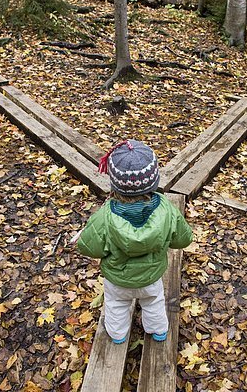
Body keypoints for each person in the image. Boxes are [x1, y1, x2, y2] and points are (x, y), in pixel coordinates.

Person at [75, 139, 192, 344]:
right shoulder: (167, 211)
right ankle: (158, 331)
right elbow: (183, 239)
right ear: (153, 179)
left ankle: (118, 334)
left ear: (115, 182)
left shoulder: (105, 217)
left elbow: (87, 247)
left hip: (118, 279)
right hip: (150, 277)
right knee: (154, 302)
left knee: (116, 305)